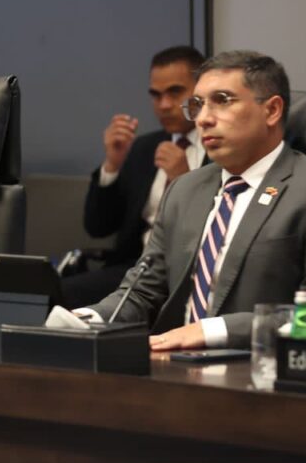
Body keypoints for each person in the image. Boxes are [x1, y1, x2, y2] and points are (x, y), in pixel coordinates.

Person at [79, 50, 306, 350]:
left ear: (272, 110)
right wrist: (86, 319)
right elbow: (141, 293)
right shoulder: (185, 190)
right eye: (198, 105)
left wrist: (213, 330)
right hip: (171, 368)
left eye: (223, 101)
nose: (203, 119)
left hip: (256, 371)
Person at [64, 46, 207, 306]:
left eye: (175, 92)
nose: (163, 105)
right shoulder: (144, 148)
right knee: (56, 294)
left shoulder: (222, 149)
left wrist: (184, 181)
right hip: (135, 270)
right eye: (156, 95)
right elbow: (98, 226)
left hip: (194, 273)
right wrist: (112, 164)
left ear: (201, 90)